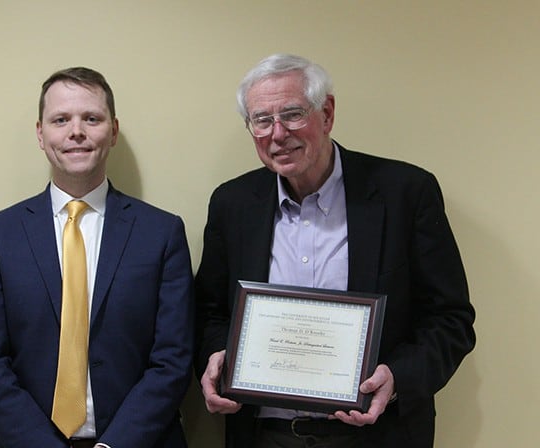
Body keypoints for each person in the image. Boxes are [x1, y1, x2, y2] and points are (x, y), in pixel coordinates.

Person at [194, 54, 476, 447]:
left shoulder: (405, 193)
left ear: (326, 113)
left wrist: (396, 378)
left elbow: (450, 319)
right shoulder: (232, 203)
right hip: (265, 436)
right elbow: (208, 313)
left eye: (293, 114)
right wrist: (218, 357)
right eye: (261, 120)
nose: (277, 134)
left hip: (379, 435)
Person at [0, 67, 194, 448]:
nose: (76, 132)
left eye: (91, 118)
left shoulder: (162, 233)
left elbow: (173, 359)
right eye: (60, 120)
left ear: (113, 130)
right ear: (41, 133)